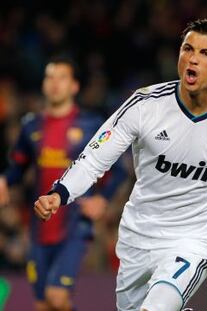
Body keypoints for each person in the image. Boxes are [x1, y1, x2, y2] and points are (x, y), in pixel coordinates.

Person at [33, 19, 207, 311]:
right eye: (188, 49)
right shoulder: (145, 105)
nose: (193, 58)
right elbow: (95, 157)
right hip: (139, 237)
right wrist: (60, 193)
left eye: (205, 53)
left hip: (195, 239)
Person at [0, 56, 126, 311]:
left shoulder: (91, 126)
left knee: (56, 296)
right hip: (39, 226)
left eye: (62, 77)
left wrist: (102, 199)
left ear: (74, 86)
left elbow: (120, 172)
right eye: (50, 77)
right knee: (44, 305)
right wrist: (4, 180)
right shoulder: (30, 126)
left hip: (75, 225)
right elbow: (18, 168)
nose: (55, 83)